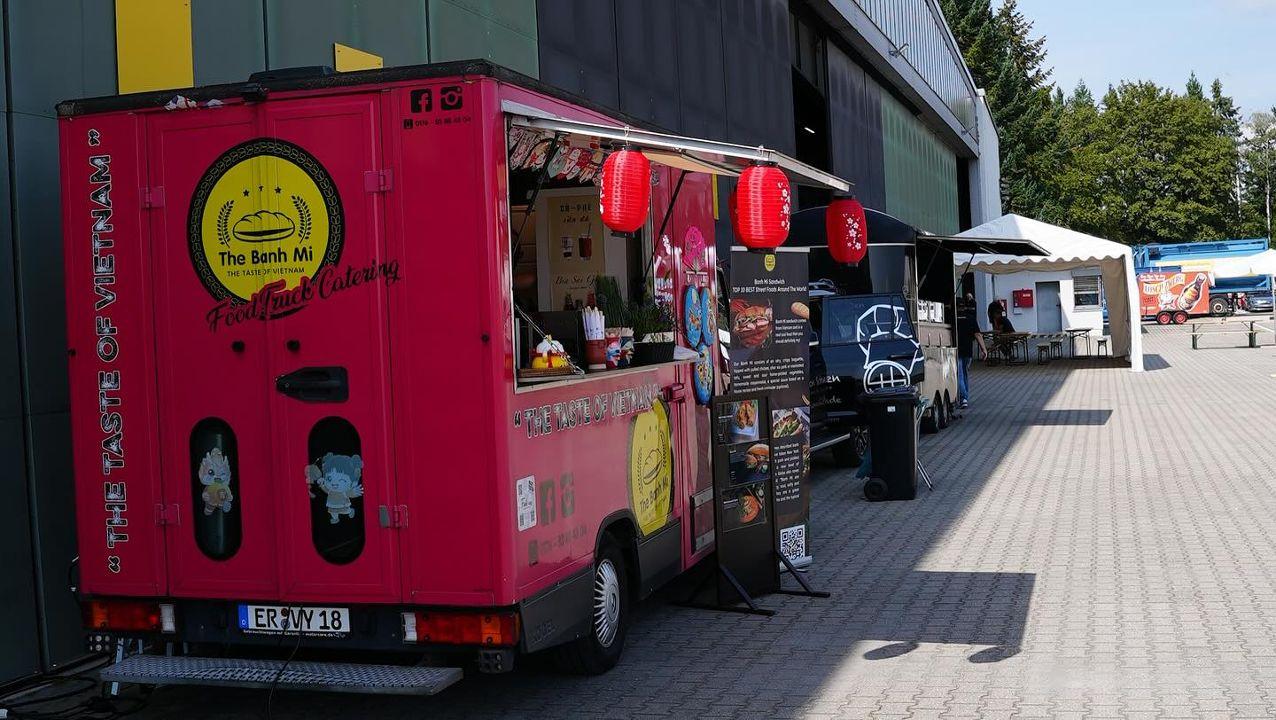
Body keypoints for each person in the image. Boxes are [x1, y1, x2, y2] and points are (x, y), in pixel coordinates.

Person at [956, 294, 987, 409]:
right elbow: (978, 334)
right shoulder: (971, 318)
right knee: (964, 374)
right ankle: (965, 397)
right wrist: (984, 349)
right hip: (968, 351)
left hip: (956, 350)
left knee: (959, 375)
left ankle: (963, 398)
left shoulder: (953, 318)